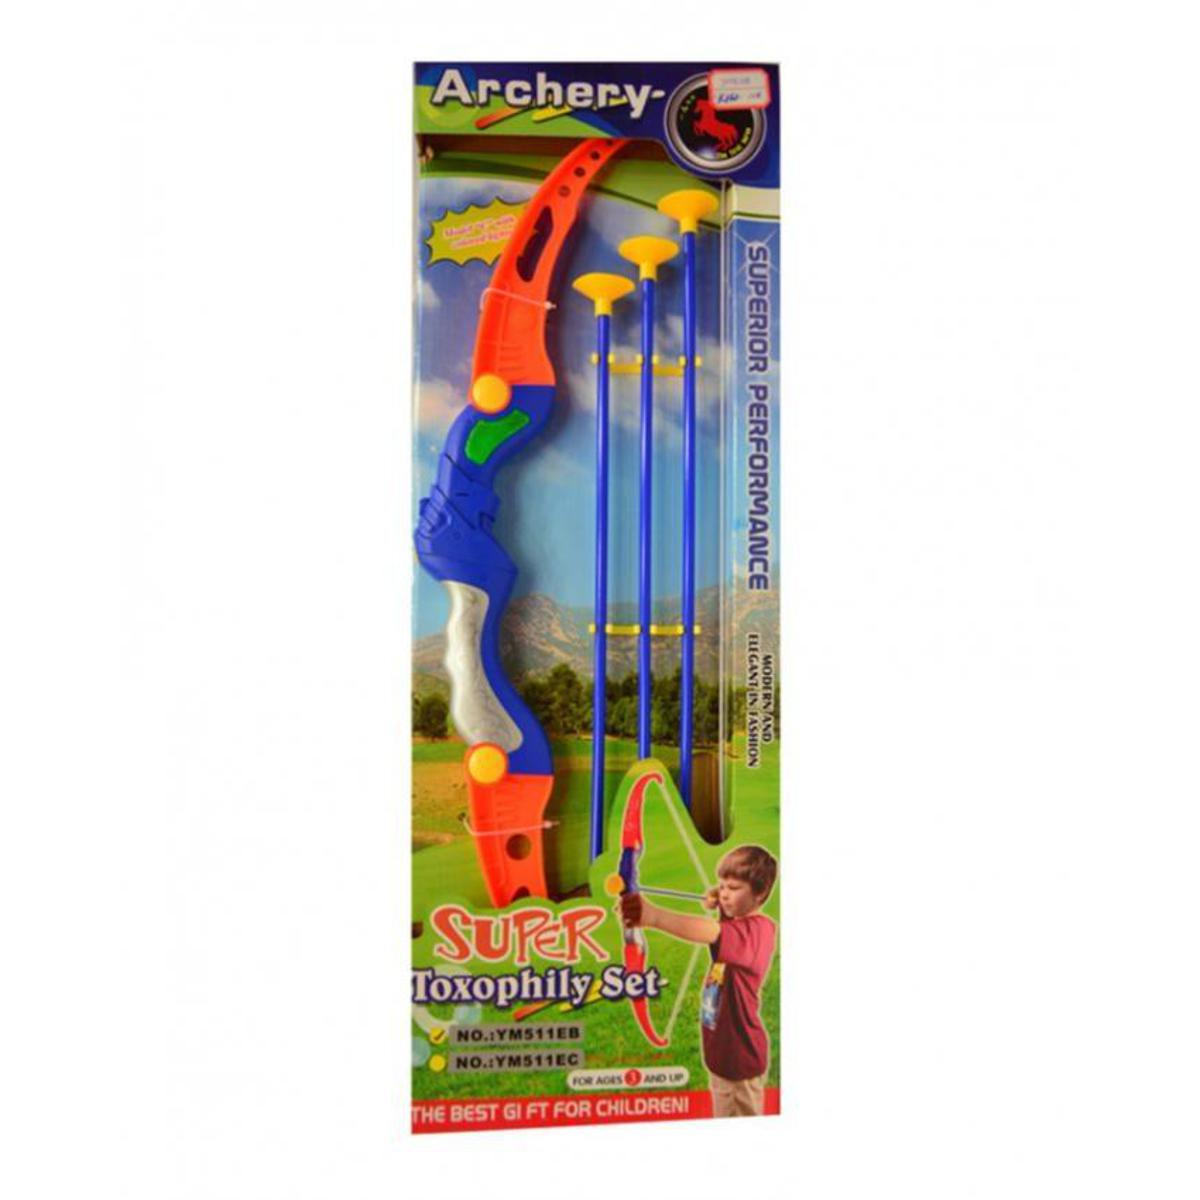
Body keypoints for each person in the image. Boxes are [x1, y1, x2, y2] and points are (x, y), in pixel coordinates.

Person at [619, 844, 778, 1116]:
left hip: (738, 1063)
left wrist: (654, 917)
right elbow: (726, 926)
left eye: (733, 888)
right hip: (723, 1056)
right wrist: (723, 902)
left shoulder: (758, 932)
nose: (724, 893)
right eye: (722, 885)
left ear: (760, 893)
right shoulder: (739, 924)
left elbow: (711, 932)